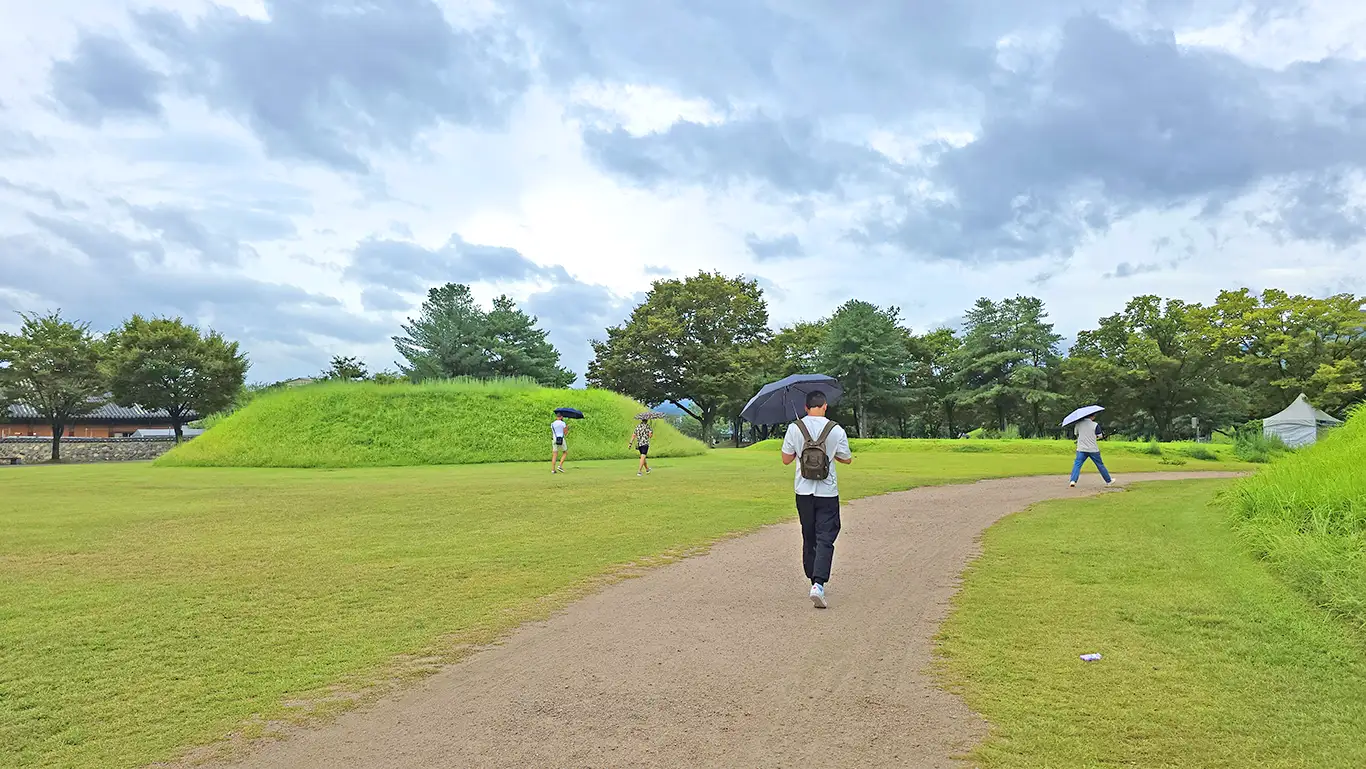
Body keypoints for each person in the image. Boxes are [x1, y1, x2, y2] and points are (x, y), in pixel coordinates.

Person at [780, 390, 853, 609]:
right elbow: (846, 459)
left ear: (805, 407)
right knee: (826, 535)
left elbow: (785, 459)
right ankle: (818, 584)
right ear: (824, 406)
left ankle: (812, 576)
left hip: (803, 491)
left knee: (808, 534)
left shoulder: (795, 428)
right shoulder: (836, 429)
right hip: (827, 492)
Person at [1069, 415, 1113, 487]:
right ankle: (1108, 481)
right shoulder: (1095, 425)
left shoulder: (1078, 424)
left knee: (1077, 464)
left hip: (1081, 448)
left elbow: (1076, 433)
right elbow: (1100, 436)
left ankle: (1073, 480)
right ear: (1091, 417)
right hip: (1093, 449)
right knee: (1100, 465)